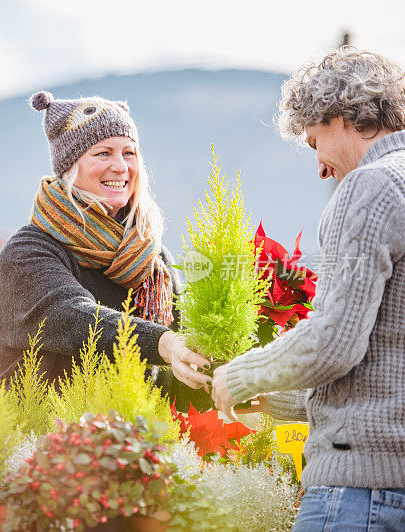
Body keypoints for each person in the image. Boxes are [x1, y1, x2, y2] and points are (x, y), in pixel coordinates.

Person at [211, 47, 405, 530]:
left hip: (361, 494)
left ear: (339, 116)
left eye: (315, 140)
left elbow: (332, 343)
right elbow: (387, 359)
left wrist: (240, 374)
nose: (320, 166)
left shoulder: (371, 187)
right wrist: (281, 398)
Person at [0, 90, 210, 401]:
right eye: (103, 153)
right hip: (42, 438)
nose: (121, 167)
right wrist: (165, 344)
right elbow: (71, 317)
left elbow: (172, 378)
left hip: (133, 438)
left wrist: (230, 376)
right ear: (70, 167)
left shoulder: (153, 261)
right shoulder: (29, 252)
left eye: (129, 153)